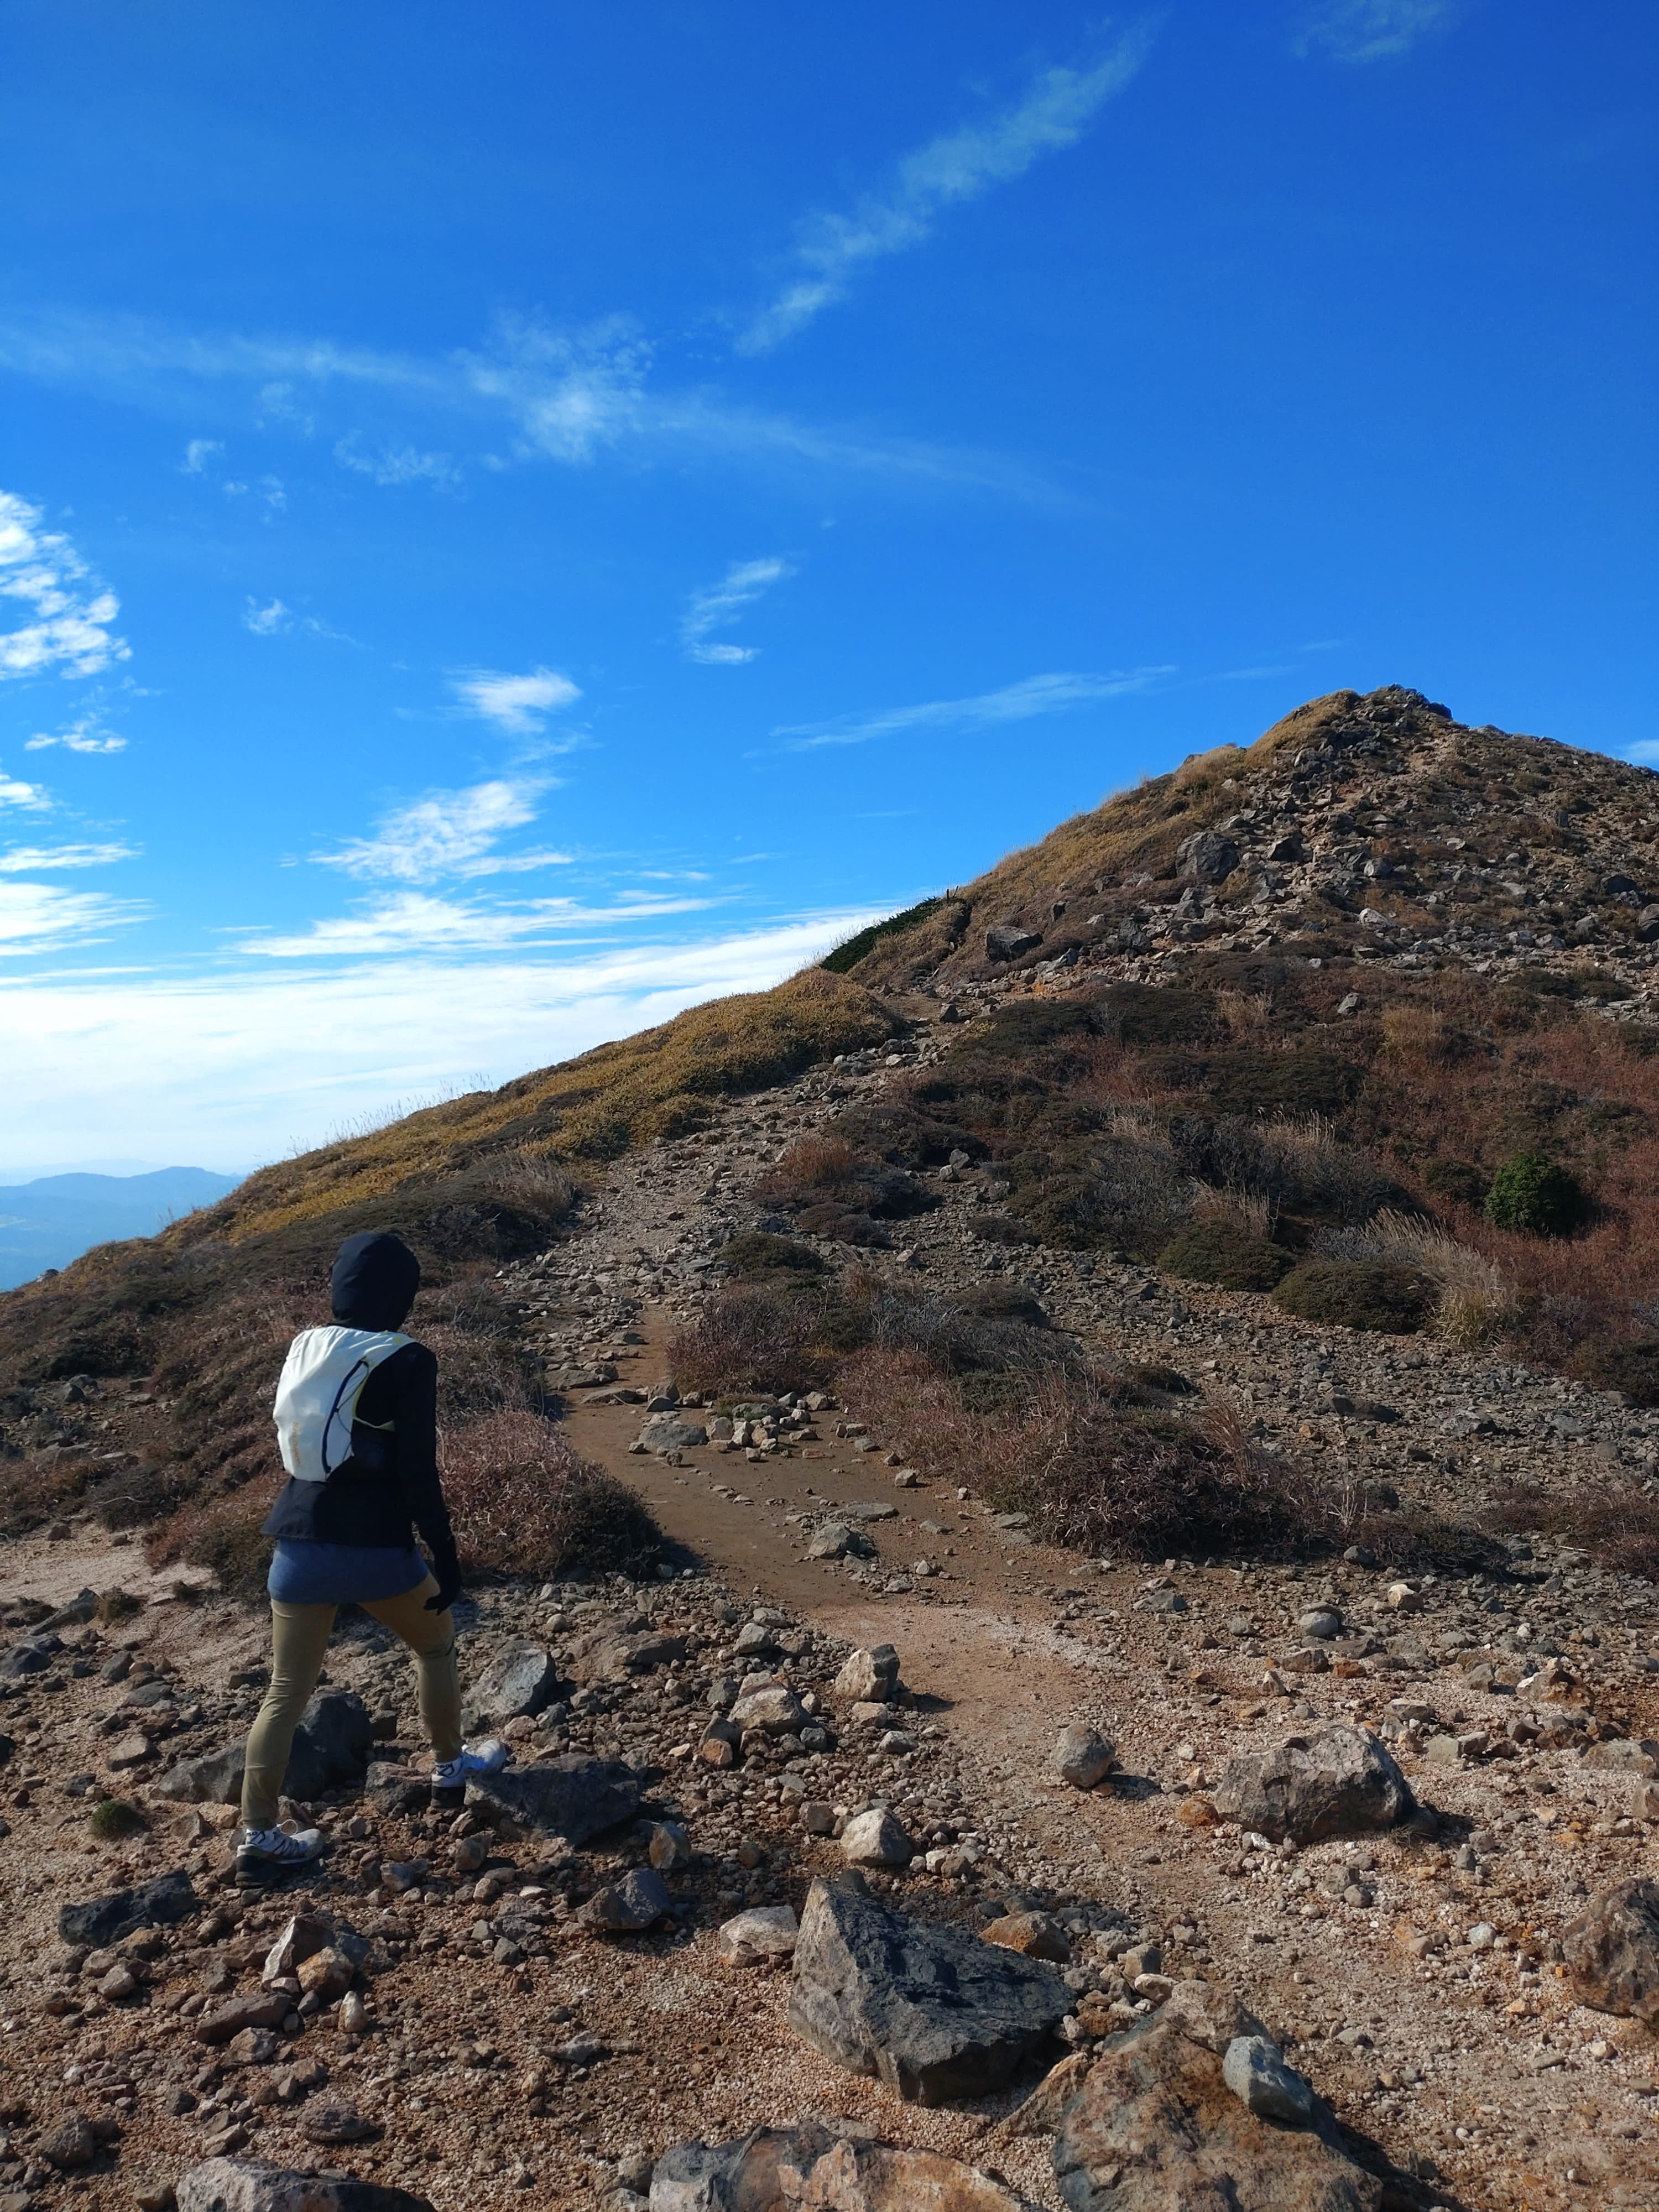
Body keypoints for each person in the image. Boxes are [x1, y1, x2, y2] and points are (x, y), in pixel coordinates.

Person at [236, 1229, 508, 1886]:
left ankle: (256, 1837)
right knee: (435, 1643)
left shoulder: (307, 1345)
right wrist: (446, 1554)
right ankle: (448, 1768)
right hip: (380, 1548)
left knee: (284, 1691)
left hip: (298, 1544)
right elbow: (418, 1472)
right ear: (401, 1293)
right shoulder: (409, 1359)